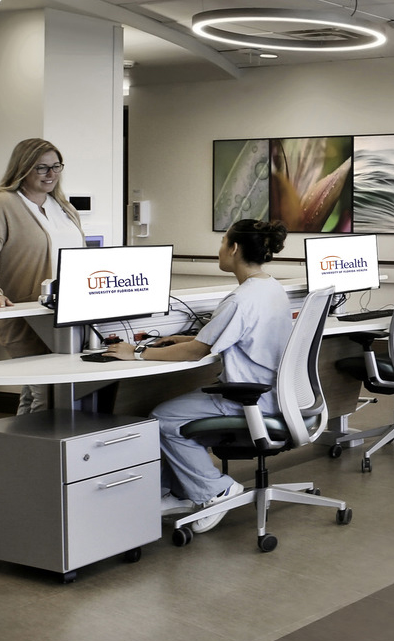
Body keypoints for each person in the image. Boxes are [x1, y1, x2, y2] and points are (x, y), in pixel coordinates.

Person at [100, 219, 291, 532]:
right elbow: (209, 342)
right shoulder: (269, 287)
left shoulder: (240, 300)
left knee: (163, 417)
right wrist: (184, 340)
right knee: (174, 409)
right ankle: (182, 492)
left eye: (222, 243)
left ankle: (216, 489)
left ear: (234, 248)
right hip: (274, 394)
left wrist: (136, 353)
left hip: (249, 398)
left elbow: (196, 353)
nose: (219, 250)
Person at [0, 138, 84, 412]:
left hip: (66, 314)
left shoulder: (64, 207)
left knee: (38, 392)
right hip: (26, 312)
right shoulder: (1, 204)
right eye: (41, 168)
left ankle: (20, 452)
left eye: (56, 167)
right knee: (47, 393)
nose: (51, 174)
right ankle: (40, 453)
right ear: (23, 169)